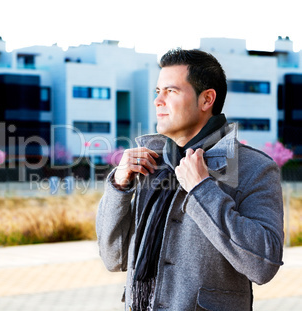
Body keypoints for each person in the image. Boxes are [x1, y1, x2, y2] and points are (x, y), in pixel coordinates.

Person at [96, 48, 284, 311]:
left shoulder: (254, 168)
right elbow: (113, 258)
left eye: (170, 91)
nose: (157, 101)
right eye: (157, 92)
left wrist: (201, 189)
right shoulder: (153, 163)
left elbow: (264, 264)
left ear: (207, 99)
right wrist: (119, 186)